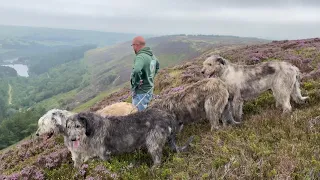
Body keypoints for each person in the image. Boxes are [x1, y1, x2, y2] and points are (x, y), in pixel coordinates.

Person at [130, 36, 159, 111]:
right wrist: (150, 78)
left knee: (137, 115)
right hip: (149, 90)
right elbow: (157, 66)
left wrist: (136, 83)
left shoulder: (140, 57)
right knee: (145, 113)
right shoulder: (152, 56)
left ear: (136, 45)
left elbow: (136, 70)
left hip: (141, 92)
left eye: (132, 45)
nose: (133, 48)